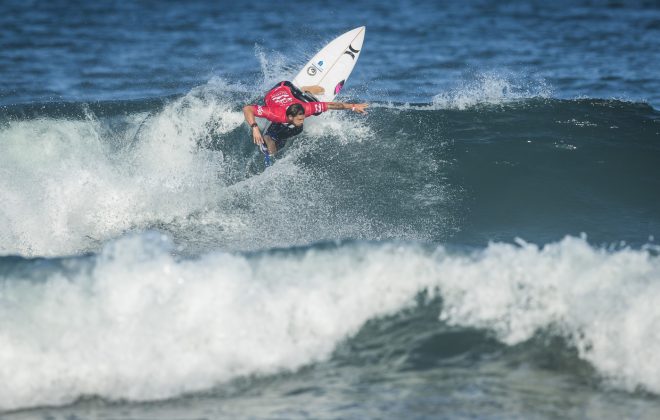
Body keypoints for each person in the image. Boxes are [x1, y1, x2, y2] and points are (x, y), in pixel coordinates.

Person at [243, 81, 368, 156]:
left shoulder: (307, 108)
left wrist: (352, 107)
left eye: (303, 118)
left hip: (289, 89)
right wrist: (254, 127)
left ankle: (306, 90)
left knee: (315, 113)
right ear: (290, 117)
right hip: (278, 89)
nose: (302, 121)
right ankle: (273, 136)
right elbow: (247, 108)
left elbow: (331, 105)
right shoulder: (275, 113)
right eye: (300, 119)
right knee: (286, 126)